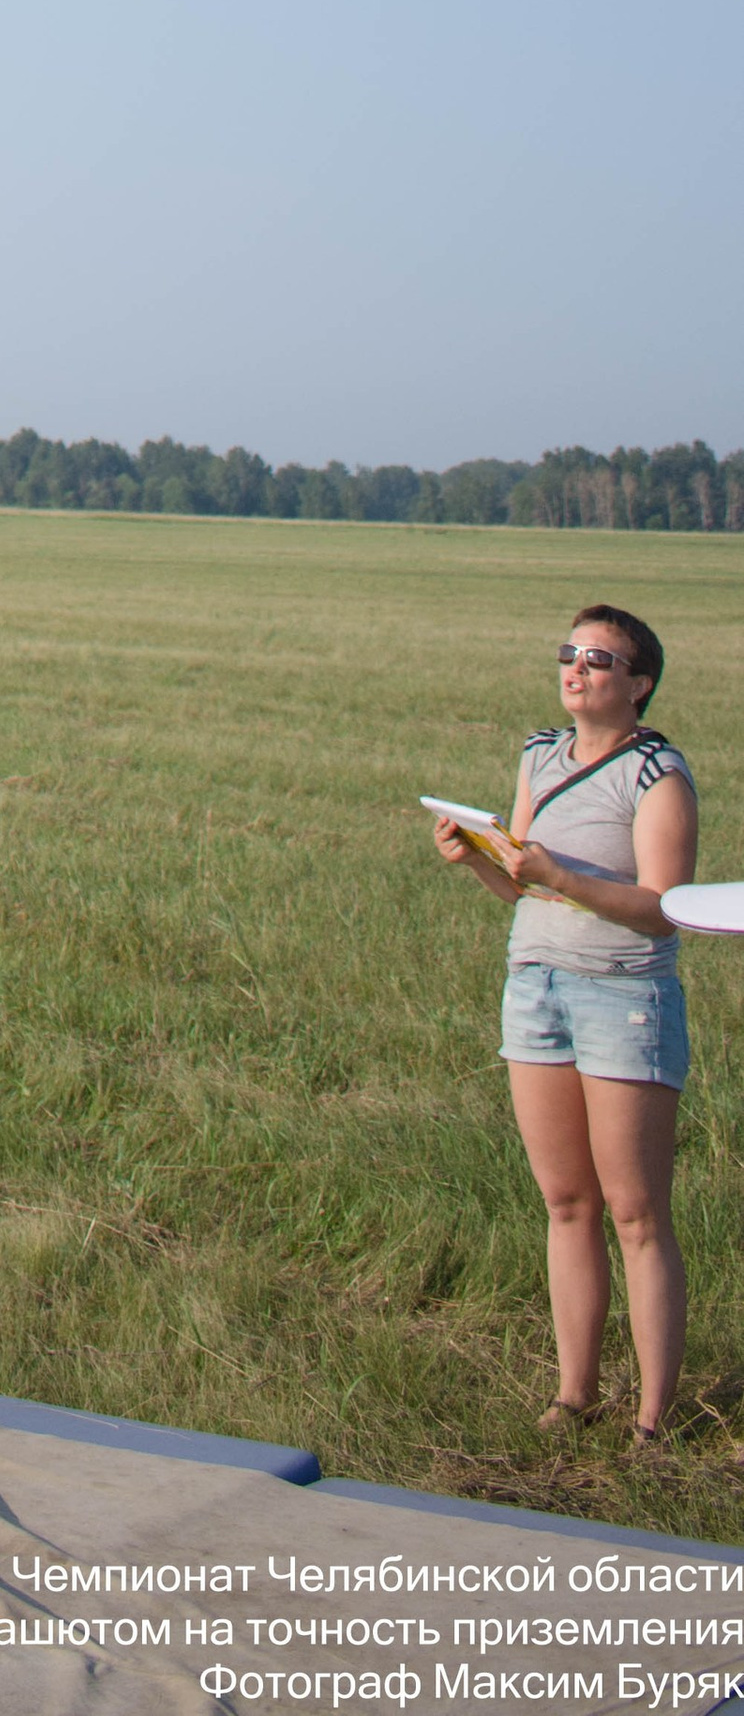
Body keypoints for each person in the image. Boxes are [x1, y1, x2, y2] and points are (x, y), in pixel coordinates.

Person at [433, 607, 697, 1445]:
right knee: (567, 1201)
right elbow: (522, 888)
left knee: (636, 1211)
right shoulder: (539, 755)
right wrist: (478, 857)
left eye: (598, 659)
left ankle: (654, 1418)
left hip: (622, 995)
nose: (575, 668)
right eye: (568, 654)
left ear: (639, 683)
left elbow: (662, 912)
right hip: (536, 987)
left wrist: (562, 875)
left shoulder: (657, 773)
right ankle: (573, 1394)